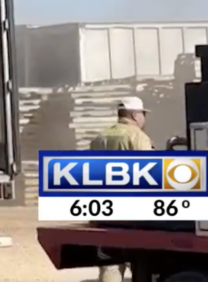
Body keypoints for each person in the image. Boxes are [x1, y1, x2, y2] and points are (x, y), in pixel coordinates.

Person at [89, 97, 151, 282]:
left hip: (104, 209)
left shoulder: (99, 138)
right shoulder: (138, 137)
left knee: (110, 264)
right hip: (132, 211)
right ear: (134, 115)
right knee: (140, 262)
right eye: (143, 114)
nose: (144, 119)